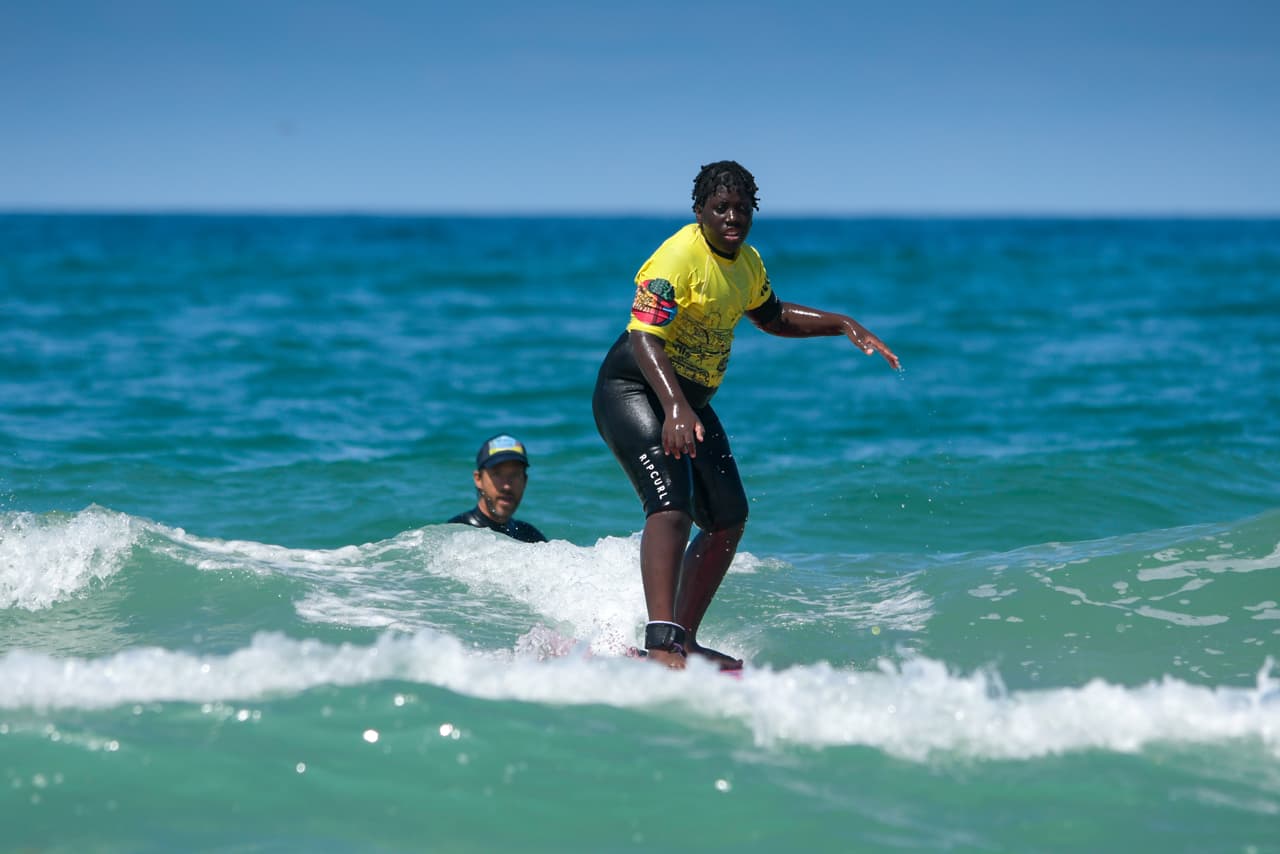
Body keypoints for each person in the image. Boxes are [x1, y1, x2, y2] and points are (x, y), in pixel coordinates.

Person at [592, 160, 900, 670]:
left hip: (688, 403)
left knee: (728, 518)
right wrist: (674, 406)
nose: (732, 218)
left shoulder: (748, 263)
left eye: (742, 209)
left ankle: (685, 639)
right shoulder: (677, 258)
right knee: (670, 505)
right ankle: (662, 644)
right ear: (700, 211)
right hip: (634, 389)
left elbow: (771, 316)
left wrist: (843, 323)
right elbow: (644, 337)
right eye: (721, 208)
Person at [448, 434, 548, 543]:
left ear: (525, 481)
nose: (507, 486)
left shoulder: (531, 537)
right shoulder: (456, 535)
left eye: (515, 475)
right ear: (478, 479)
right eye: (497, 474)